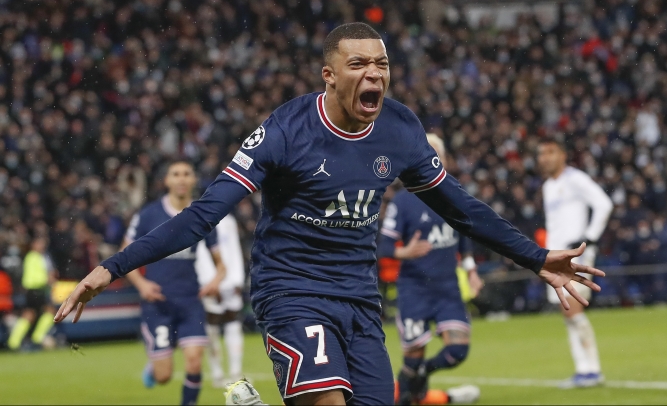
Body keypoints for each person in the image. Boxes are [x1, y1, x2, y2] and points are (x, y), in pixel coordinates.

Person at [55, 23, 604, 406]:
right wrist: (112, 267)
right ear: (329, 74)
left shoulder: (401, 129)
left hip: (360, 299)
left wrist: (536, 258)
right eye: (358, 64)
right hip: (291, 290)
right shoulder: (285, 130)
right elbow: (202, 216)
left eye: (381, 64)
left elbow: (461, 208)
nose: (374, 74)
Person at [378, 133, 482, 405]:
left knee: (458, 350)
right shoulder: (403, 201)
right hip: (415, 289)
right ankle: (408, 395)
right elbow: (383, 247)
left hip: (447, 287)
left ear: (445, 159)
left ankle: (422, 376)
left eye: (437, 153)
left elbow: (464, 237)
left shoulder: (454, 194)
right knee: (412, 359)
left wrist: (471, 270)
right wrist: (404, 252)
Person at [120, 160, 227, 405]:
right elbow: (123, 255)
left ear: (193, 180)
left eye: (186, 174)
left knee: (194, 362)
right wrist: (142, 285)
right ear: (166, 180)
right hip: (158, 303)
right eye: (175, 174)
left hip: (190, 300)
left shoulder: (202, 215)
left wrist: (216, 280)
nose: (181, 178)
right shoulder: (148, 215)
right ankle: (154, 365)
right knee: (164, 376)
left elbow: (221, 265)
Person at [537, 137, 613, 388]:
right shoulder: (548, 186)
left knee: (573, 310)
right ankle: (584, 370)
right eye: (541, 153)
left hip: (574, 255)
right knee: (567, 311)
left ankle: (591, 370)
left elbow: (604, 204)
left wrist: (589, 238)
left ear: (563, 155)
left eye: (550, 152)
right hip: (555, 257)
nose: (545, 158)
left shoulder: (575, 179)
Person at [195, 213, 246, 387]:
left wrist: (238, 279)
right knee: (212, 325)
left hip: (231, 281)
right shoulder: (201, 217)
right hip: (211, 283)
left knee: (234, 321)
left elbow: (235, 249)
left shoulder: (229, 220)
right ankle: (217, 374)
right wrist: (210, 282)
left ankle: (235, 373)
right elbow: (201, 253)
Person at [8, 237, 56, 350]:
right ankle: (36, 338)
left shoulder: (39, 257)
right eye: (39, 243)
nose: (42, 246)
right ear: (33, 245)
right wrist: (47, 280)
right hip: (35, 290)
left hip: (36, 290)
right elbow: (31, 278)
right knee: (47, 312)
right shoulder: (33, 257)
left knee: (30, 315)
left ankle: (14, 342)